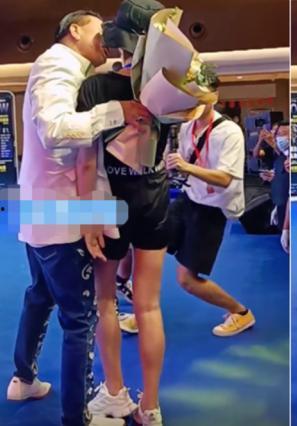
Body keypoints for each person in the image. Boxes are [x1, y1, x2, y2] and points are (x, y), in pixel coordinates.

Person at [7, 9, 148, 426]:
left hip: (42, 209)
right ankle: (77, 416)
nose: (107, 36)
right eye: (98, 29)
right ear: (74, 31)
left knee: (40, 296)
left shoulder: (65, 68)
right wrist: (119, 110)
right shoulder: (57, 63)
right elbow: (55, 130)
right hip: (62, 214)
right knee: (80, 319)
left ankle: (23, 378)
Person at [74, 1, 169, 425]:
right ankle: (151, 406)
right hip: (155, 194)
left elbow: (86, 159)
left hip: (110, 197)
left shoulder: (96, 86)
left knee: (106, 300)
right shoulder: (172, 87)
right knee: (149, 306)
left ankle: (115, 392)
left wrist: (86, 215)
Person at [166, 100, 256, 338]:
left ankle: (241, 312)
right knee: (148, 243)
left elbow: (225, 179)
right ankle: (140, 308)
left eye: (198, 99)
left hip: (212, 208)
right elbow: (184, 161)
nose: (192, 105)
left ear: (212, 98)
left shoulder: (229, 132)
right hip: (188, 197)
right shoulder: (187, 127)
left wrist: (186, 167)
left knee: (187, 280)